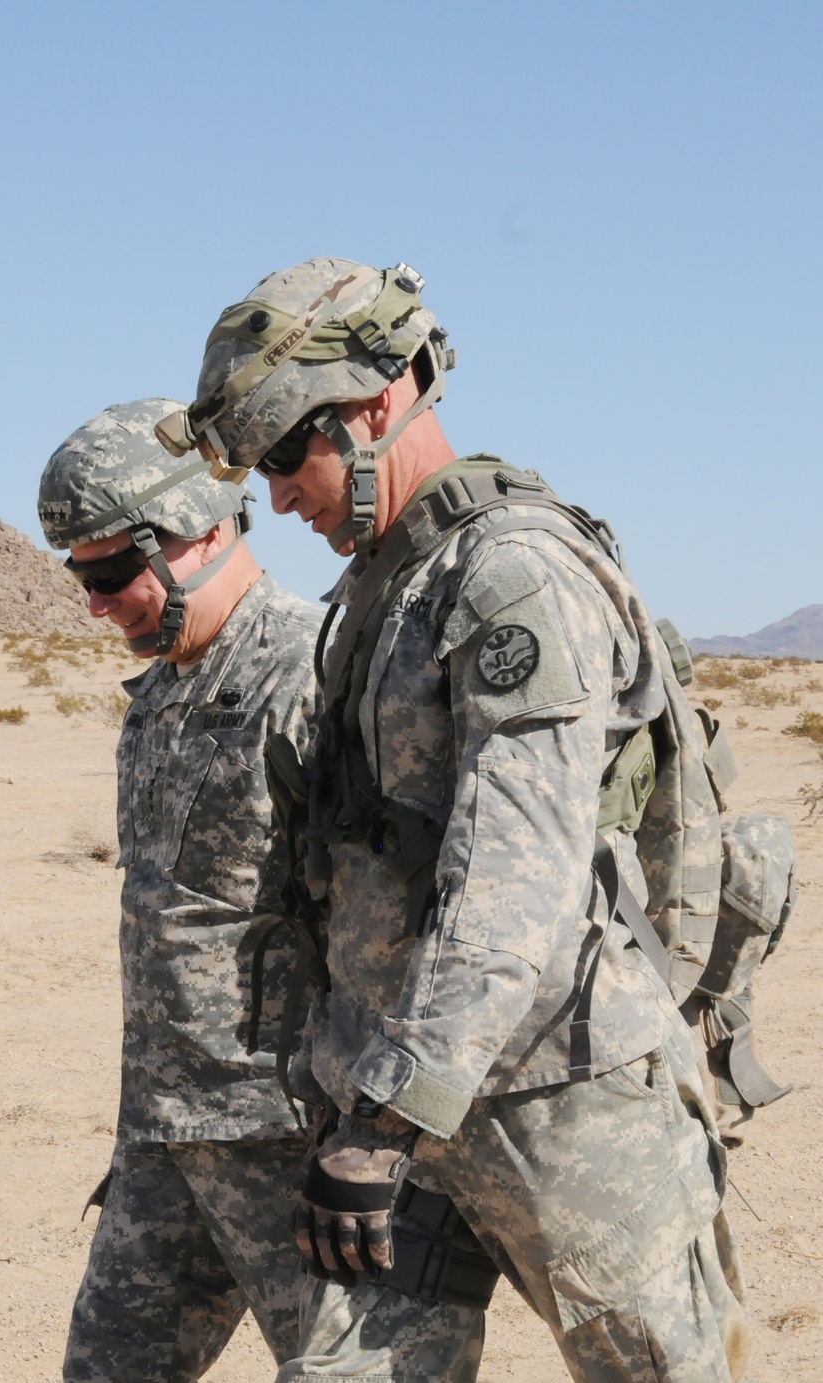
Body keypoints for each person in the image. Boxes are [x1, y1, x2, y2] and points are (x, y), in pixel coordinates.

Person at [159, 260, 753, 1382]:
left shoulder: (510, 575)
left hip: (554, 1094)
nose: (279, 496)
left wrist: (385, 1121)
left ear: (375, 403)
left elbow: (510, 880)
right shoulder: (383, 586)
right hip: (394, 1101)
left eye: (289, 451)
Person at [38, 398, 322, 1383]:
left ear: (200, 532)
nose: (97, 604)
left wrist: (371, 1146)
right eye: (80, 578)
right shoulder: (159, 694)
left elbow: (391, 925)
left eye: (113, 573)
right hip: (164, 1141)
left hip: (292, 1152)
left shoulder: (312, 673)